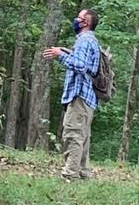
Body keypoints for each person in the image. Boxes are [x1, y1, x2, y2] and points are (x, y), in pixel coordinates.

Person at [43, 9, 100, 181]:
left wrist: (60, 55)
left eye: (80, 18)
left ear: (86, 23)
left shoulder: (84, 40)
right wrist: (65, 51)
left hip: (80, 95)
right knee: (83, 137)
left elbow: (81, 66)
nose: (76, 20)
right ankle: (83, 174)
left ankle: (70, 175)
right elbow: (88, 65)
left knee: (73, 134)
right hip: (87, 97)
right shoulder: (91, 41)